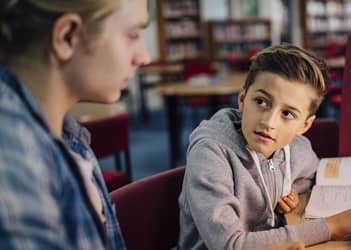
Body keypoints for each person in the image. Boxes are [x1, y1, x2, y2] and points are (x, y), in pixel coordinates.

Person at [0, 0, 149, 249]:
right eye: (132, 34)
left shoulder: (65, 133)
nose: (144, 57)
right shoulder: (15, 159)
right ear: (67, 36)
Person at [178, 44, 351, 249]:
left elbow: (312, 175)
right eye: (261, 101)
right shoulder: (210, 154)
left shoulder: (297, 147)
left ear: (304, 125)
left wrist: (292, 191)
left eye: (287, 114)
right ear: (242, 100)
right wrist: (332, 226)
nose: (269, 122)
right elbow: (230, 244)